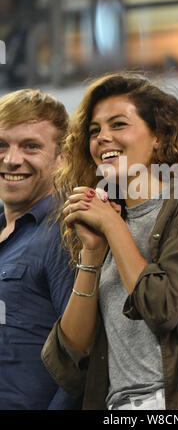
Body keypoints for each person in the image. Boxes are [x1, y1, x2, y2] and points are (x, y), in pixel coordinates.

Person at [42, 72, 178, 410]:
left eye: (118, 124)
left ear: (158, 135)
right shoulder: (107, 219)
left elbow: (161, 307)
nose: (103, 138)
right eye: (94, 130)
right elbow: (69, 356)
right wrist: (91, 250)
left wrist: (113, 227)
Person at [0, 89, 78, 409]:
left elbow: (81, 358)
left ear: (62, 157)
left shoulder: (67, 233)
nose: (12, 159)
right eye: (2, 145)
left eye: (31, 146)